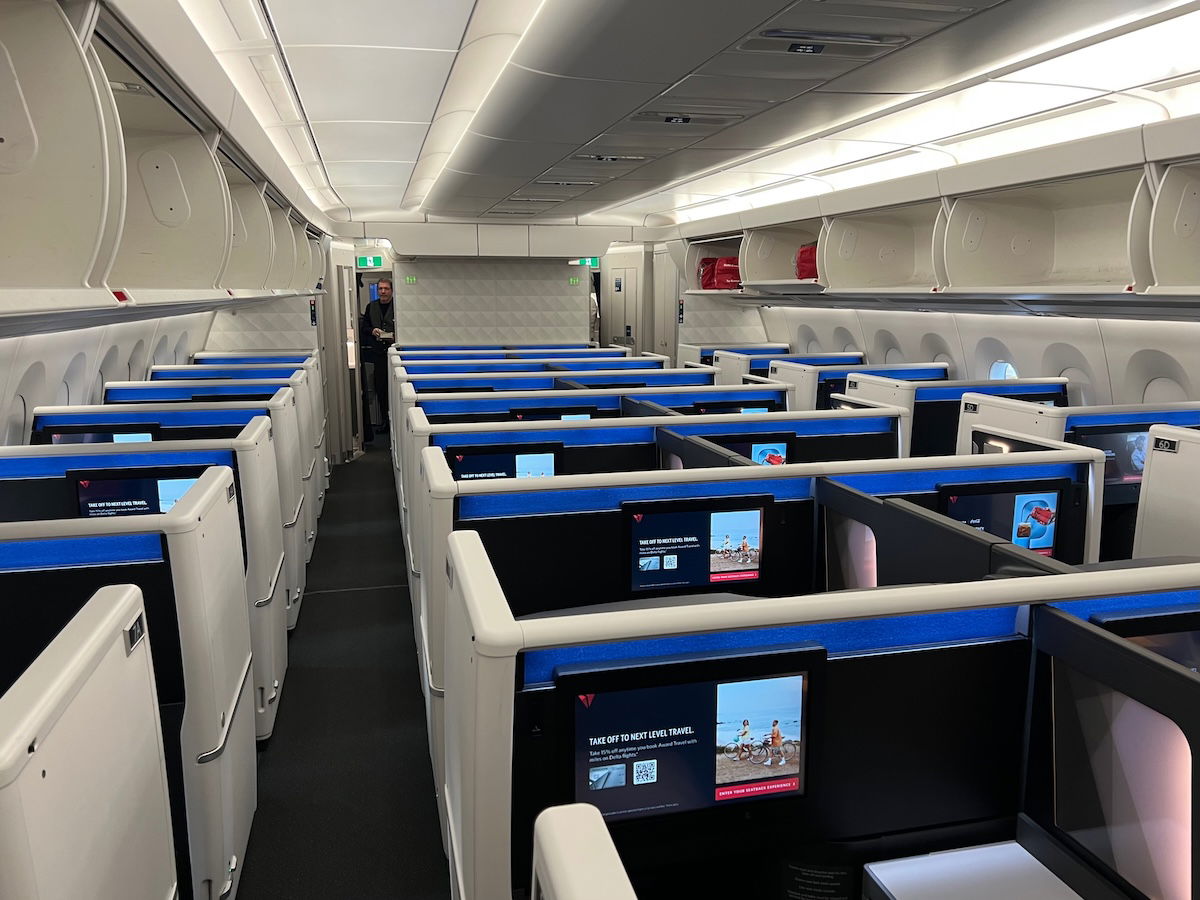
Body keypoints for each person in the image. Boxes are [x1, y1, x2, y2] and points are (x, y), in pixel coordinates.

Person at [359, 278, 396, 439]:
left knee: (395, 389)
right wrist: (372, 330)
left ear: (391, 290)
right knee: (381, 388)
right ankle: (385, 422)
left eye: (386, 288)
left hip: (396, 352)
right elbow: (365, 328)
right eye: (380, 288)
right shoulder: (371, 307)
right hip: (379, 354)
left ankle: (395, 421)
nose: (383, 291)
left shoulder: (398, 305)